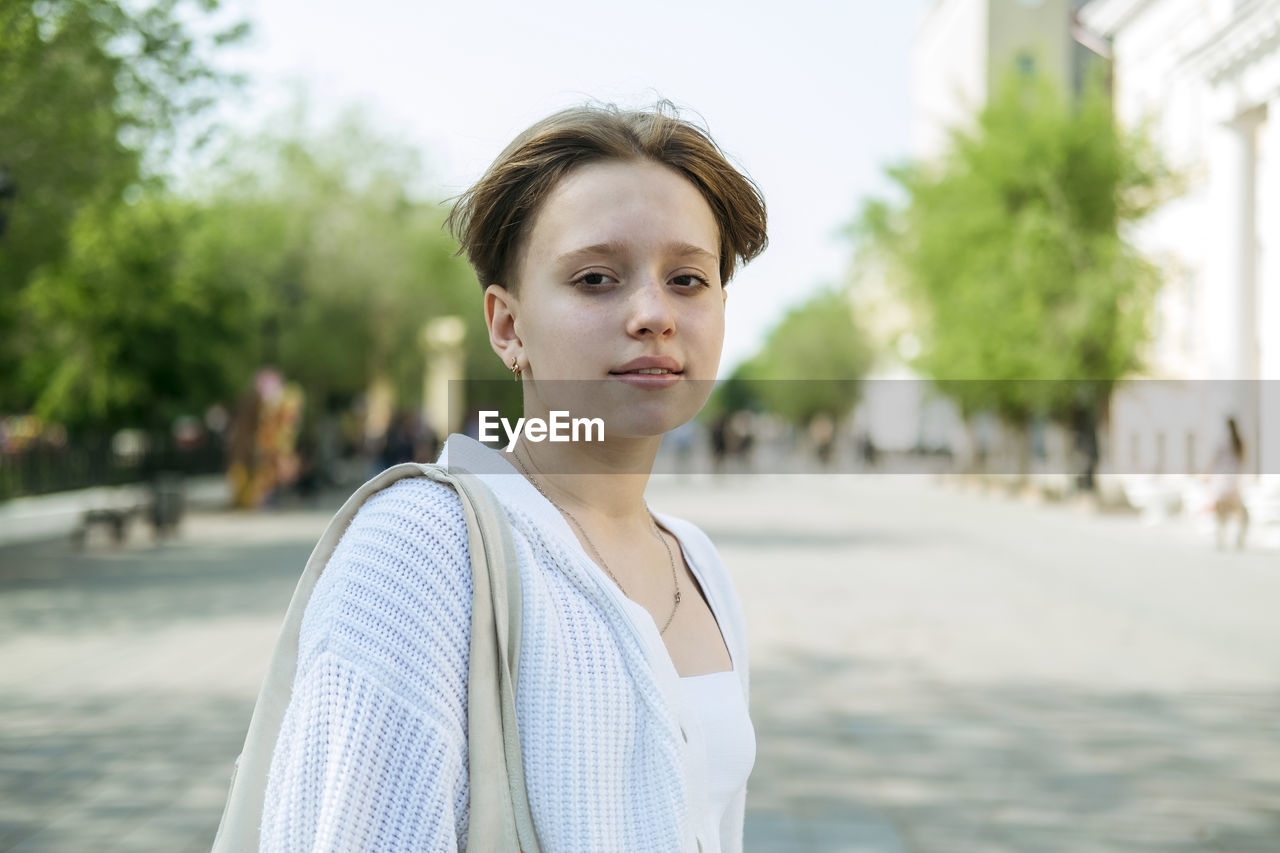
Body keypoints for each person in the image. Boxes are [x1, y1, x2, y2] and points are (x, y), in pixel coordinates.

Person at [259, 100, 768, 852]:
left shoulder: (697, 562)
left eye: (688, 279)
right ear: (507, 325)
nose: (653, 313)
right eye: (597, 278)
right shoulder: (423, 550)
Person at [1208, 416, 1248, 550]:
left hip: (1223, 477)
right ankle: (1237, 535)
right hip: (1234, 477)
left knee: (1222, 509)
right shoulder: (1238, 440)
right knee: (1237, 509)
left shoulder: (1222, 440)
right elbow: (1243, 458)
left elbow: (1215, 458)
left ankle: (1221, 536)